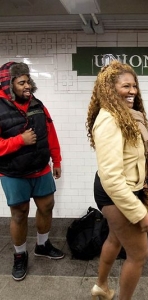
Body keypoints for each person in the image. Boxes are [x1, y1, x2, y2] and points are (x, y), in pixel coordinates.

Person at [86, 60, 148, 300]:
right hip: (116, 193)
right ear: (109, 88)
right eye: (125, 86)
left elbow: (127, 157)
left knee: (114, 238)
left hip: (124, 189)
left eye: (134, 85)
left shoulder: (127, 116)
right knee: (139, 255)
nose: (132, 91)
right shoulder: (110, 120)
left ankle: (101, 286)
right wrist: (139, 213)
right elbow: (111, 177)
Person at [0, 61, 64, 281]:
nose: (28, 86)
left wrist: (56, 160)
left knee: (47, 206)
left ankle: (42, 244)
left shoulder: (37, 103)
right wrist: (20, 140)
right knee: (20, 213)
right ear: (9, 85)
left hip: (40, 169)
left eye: (29, 81)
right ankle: (19, 255)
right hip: (13, 173)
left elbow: (50, 132)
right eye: (22, 82)